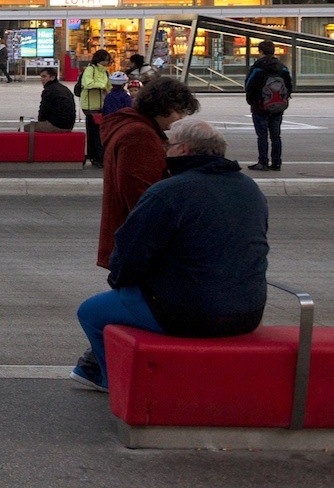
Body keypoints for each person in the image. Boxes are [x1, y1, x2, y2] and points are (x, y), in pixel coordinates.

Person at [72, 116, 268, 391]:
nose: (165, 151)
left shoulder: (168, 192)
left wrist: (123, 283)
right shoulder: (249, 188)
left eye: (169, 145)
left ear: (185, 150)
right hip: (248, 309)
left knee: (91, 312)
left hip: (191, 313)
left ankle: (111, 382)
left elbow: (130, 254)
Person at [97, 74, 200, 269]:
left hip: (130, 239)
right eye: (179, 111)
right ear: (164, 106)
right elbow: (140, 193)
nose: (181, 118)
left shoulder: (130, 126)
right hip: (139, 244)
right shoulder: (140, 134)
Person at [243, 41, 295, 172]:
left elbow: (248, 85)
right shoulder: (282, 67)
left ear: (260, 52)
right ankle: (276, 162)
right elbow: (289, 85)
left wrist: (252, 101)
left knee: (262, 136)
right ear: (273, 51)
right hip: (277, 106)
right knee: (276, 135)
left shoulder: (258, 67)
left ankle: (263, 162)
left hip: (260, 106)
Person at [76, 48, 114, 166]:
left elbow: (109, 87)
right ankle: (96, 156)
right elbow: (87, 83)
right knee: (94, 131)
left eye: (108, 61)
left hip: (101, 105)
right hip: (90, 106)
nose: (106, 63)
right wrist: (102, 86)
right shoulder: (90, 69)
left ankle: (97, 155)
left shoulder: (105, 72)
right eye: (105, 60)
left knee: (98, 132)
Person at [31, 66, 77, 133]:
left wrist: (40, 122)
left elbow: (43, 110)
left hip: (56, 125)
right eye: (41, 77)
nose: (41, 79)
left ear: (52, 77)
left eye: (44, 76)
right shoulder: (64, 88)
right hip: (69, 125)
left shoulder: (49, 90)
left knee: (25, 128)